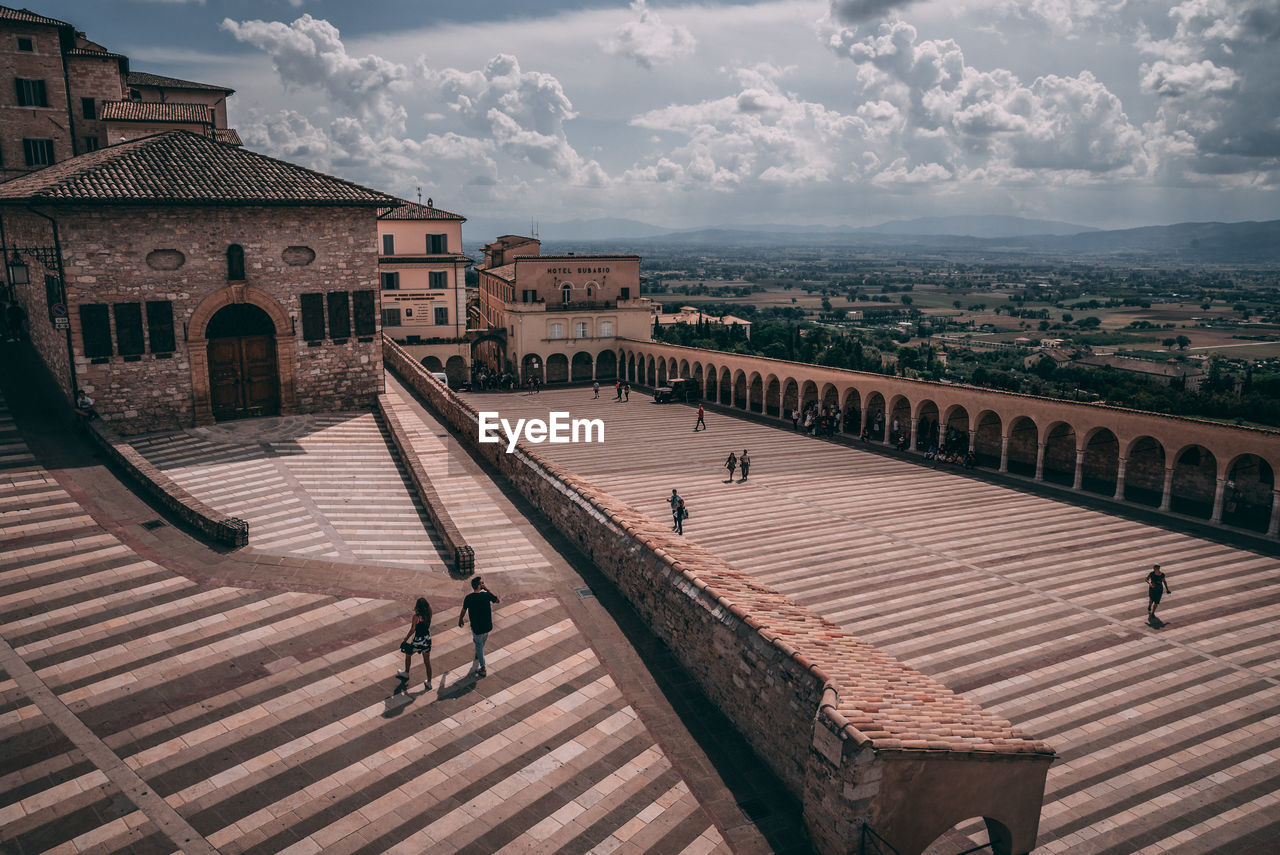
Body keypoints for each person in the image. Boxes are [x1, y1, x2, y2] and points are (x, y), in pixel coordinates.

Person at [458, 577, 500, 676]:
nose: (483, 584)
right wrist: (487, 589)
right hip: (487, 626)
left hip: (477, 628)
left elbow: (464, 610)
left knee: (478, 644)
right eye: (482, 583)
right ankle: (479, 653)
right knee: (482, 641)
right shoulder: (486, 595)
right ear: (479, 586)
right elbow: (497, 600)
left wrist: (460, 619)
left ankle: (483, 667)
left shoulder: (469, 598)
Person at [397, 597, 433, 687]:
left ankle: (406, 672)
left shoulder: (416, 617)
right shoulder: (429, 613)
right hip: (427, 640)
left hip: (418, 640)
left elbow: (413, 629)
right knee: (427, 662)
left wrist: (406, 638)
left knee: (408, 654)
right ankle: (429, 682)